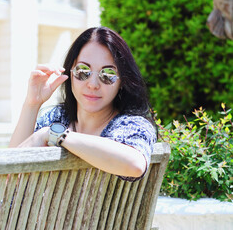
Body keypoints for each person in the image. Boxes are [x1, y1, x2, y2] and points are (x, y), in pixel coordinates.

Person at [9, 26, 157, 182]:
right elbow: (8, 173)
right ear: (70, 73)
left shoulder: (130, 125)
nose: (93, 84)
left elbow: (135, 165)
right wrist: (32, 103)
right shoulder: (58, 118)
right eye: (83, 71)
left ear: (122, 81)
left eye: (108, 74)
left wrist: (56, 134)